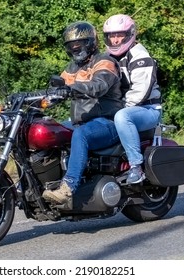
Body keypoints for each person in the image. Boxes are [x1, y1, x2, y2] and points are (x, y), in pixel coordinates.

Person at [42, 21, 123, 204]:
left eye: (79, 44)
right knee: (51, 131)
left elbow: (99, 86)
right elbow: (56, 91)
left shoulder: (105, 62)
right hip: (82, 122)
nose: (75, 48)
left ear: (91, 42)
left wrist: (71, 88)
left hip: (108, 122)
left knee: (81, 135)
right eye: (71, 46)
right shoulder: (71, 69)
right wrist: (36, 100)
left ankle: (68, 187)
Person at [103, 14, 162, 184]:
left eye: (119, 35)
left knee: (123, 117)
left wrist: (115, 109)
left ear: (130, 34)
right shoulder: (108, 57)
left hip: (147, 110)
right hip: (122, 107)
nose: (114, 40)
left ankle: (136, 166)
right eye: (111, 36)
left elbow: (139, 93)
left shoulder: (139, 56)